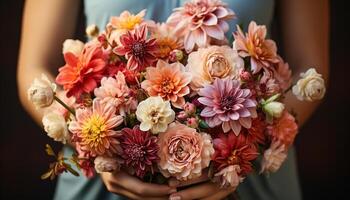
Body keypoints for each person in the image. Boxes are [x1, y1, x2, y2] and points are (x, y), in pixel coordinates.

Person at [17, 0, 329, 199]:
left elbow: (310, 71)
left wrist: (239, 155)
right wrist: (96, 142)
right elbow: (33, 69)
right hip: (103, 182)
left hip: (249, 178)